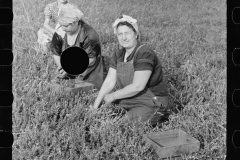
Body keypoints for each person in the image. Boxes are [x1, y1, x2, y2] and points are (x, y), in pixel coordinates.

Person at [92, 15, 169, 126]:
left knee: (122, 126)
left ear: (136, 34)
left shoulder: (144, 53)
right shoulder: (118, 53)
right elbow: (109, 81)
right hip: (132, 97)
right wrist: (95, 107)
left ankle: (160, 114)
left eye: (128, 33)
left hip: (152, 101)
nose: (124, 38)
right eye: (120, 34)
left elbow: (138, 86)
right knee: (105, 110)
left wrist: (113, 96)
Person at [50, 4, 106, 90]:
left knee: (87, 90)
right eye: (61, 25)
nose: (63, 28)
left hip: (87, 69)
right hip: (67, 67)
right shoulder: (60, 31)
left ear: (76, 22)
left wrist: (69, 68)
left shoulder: (89, 35)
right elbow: (56, 52)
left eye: (66, 26)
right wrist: (62, 66)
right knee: (58, 88)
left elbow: (91, 59)